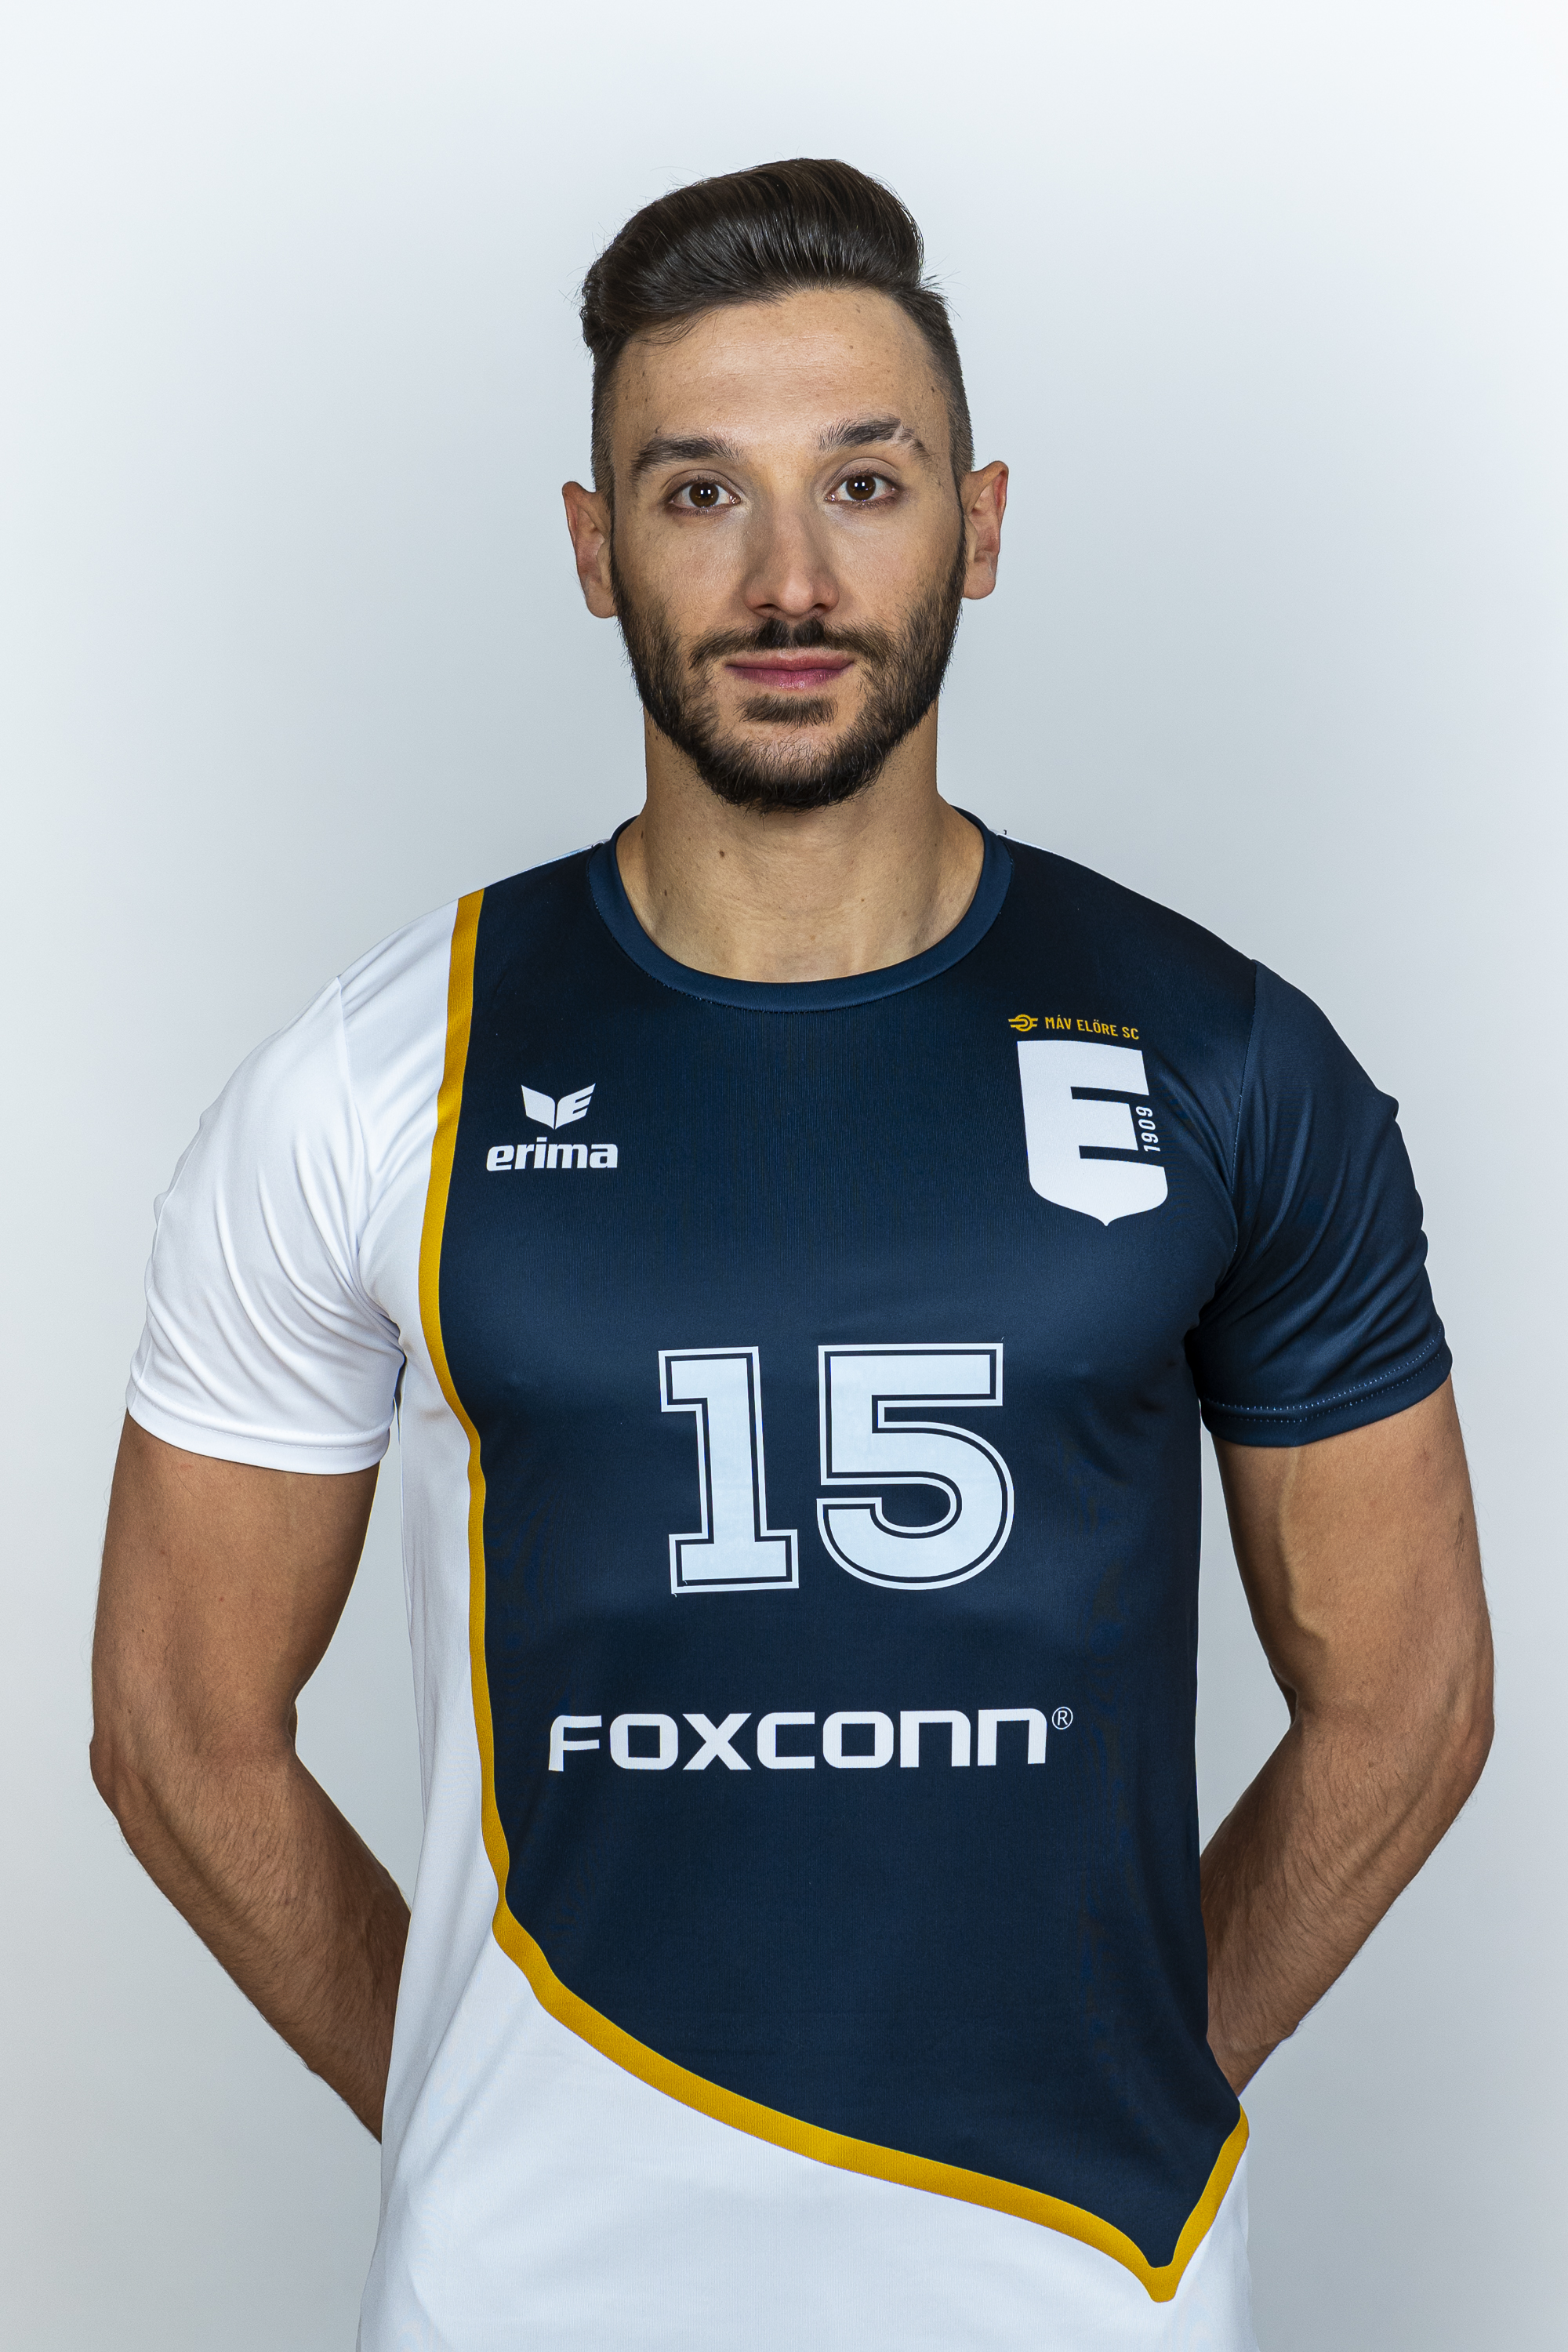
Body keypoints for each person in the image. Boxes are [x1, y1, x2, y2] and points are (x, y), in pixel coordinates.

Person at [90, 159, 1492, 2350]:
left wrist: (1127, 2072)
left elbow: (1409, 1698)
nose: (788, 579)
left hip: (1083, 2289)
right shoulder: (374, 1081)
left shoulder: (1227, 1057)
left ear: (980, 524)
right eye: (697, 494)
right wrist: (488, 2114)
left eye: (863, 481)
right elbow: (177, 1725)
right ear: (593, 549)